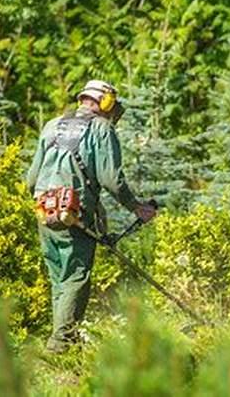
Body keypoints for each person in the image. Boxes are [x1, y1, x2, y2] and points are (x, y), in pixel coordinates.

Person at [26, 79, 156, 353]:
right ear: (106, 102)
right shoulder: (101, 129)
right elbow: (112, 180)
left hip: (44, 210)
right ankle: (61, 344)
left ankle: (61, 338)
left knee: (58, 276)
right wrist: (136, 207)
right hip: (75, 214)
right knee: (76, 276)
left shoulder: (51, 126)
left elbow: (31, 180)